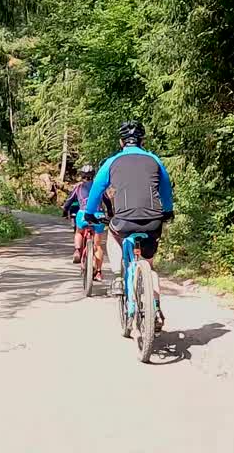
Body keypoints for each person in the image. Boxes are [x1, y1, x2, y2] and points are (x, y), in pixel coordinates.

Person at [79, 120, 174, 329]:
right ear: (142, 140)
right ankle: (155, 307)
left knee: (113, 236)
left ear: (122, 141)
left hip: (123, 221)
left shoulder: (111, 162)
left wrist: (90, 214)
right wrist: (167, 212)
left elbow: (96, 190)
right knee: (149, 264)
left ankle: (119, 277)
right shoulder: (155, 160)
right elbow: (166, 190)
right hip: (152, 221)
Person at [60, 164, 110, 277]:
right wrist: (110, 213)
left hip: (83, 214)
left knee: (79, 232)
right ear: (94, 175)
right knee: (98, 246)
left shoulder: (78, 187)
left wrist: (64, 212)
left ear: (82, 175)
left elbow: (68, 202)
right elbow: (107, 202)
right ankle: (98, 272)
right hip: (98, 215)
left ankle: (77, 250)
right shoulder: (99, 187)